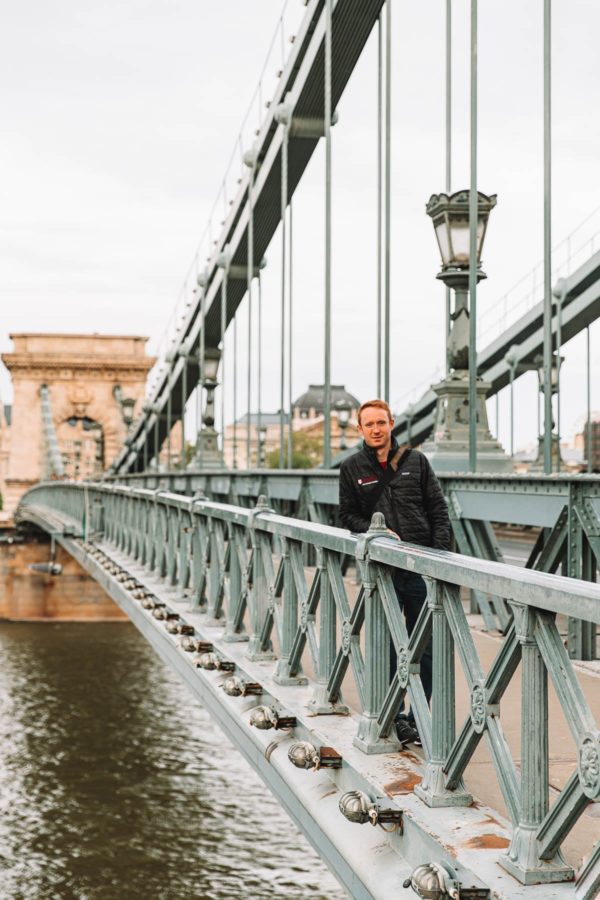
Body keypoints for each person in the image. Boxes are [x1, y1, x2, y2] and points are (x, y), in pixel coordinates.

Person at [338, 398, 451, 747]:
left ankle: (415, 719)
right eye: (369, 424)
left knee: (424, 648)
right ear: (360, 429)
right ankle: (392, 713)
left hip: (419, 567)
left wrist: (438, 559)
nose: (376, 429)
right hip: (384, 572)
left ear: (391, 425)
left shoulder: (416, 462)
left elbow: (438, 510)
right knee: (387, 647)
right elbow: (346, 517)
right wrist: (378, 534)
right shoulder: (351, 467)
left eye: (381, 423)